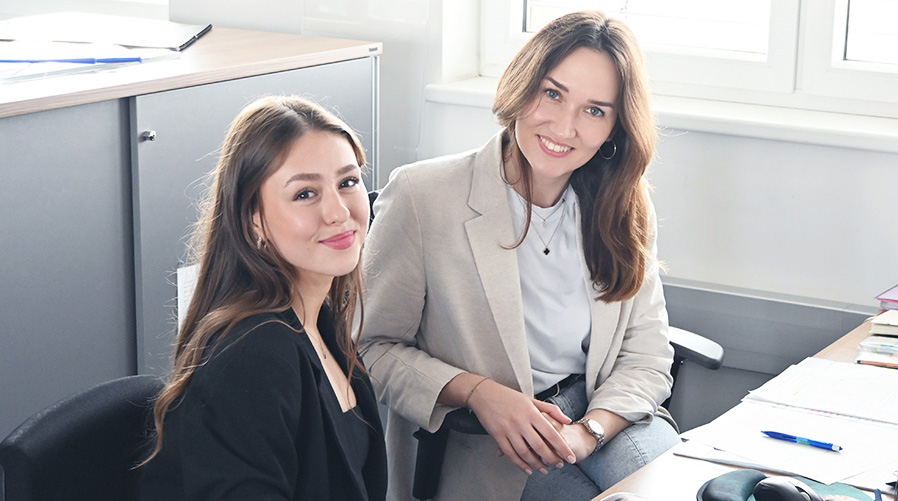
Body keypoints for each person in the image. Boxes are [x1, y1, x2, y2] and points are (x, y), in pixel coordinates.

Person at [360, 10, 679, 501]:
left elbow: (647, 354)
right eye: (552, 93)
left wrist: (588, 430)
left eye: (595, 110)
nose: (564, 127)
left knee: (678, 492)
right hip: (487, 442)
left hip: (605, 413)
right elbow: (373, 347)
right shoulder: (423, 196)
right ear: (522, 84)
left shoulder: (625, 206)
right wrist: (476, 391)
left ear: (616, 128)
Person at [138, 96, 387, 501]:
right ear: (254, 219)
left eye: (348, 182)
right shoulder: (254, 355)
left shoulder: (318, 320)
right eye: (305, 194)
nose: (339, 212)